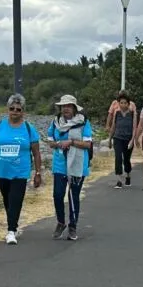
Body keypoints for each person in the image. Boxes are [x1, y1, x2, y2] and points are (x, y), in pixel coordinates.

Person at [0, 93, 42, 244]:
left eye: (18, 109)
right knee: (7, 201)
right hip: (3, 171)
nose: (15, 112)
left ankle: (11, 231)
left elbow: (36, 153)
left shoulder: (29, 129)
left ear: (23, 111)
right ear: (7, 109)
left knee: (15, 199)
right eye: (12, 108)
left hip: (20, 171)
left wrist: (38, 173)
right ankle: (14, 225)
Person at [47, 94, 93, 241]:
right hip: (60, 163)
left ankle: (73, 226)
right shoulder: (55, 122)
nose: (65, 109)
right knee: (57, 194)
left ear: (74, 108)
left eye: (68, 106)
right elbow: (50, 142)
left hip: (77, 164)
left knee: (73, 196)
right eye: (63, 106)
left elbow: (87, 144)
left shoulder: (83, 122)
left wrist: (71, 142)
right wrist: (59, 144)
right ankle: (61, 222)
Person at [106, 91, 137, 188]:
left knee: (126, 159)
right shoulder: (117, 113)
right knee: (118, 158)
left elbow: (134, 128)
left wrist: (132, 140)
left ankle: (128, 175)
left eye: (125, 103)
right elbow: (113, 126)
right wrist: (110, 139)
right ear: (119, 103)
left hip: (128, 138)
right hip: (117, 138)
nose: (123, 105)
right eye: (121, 103)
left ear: (128, 103)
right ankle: (119, 180)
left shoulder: (132, 113)